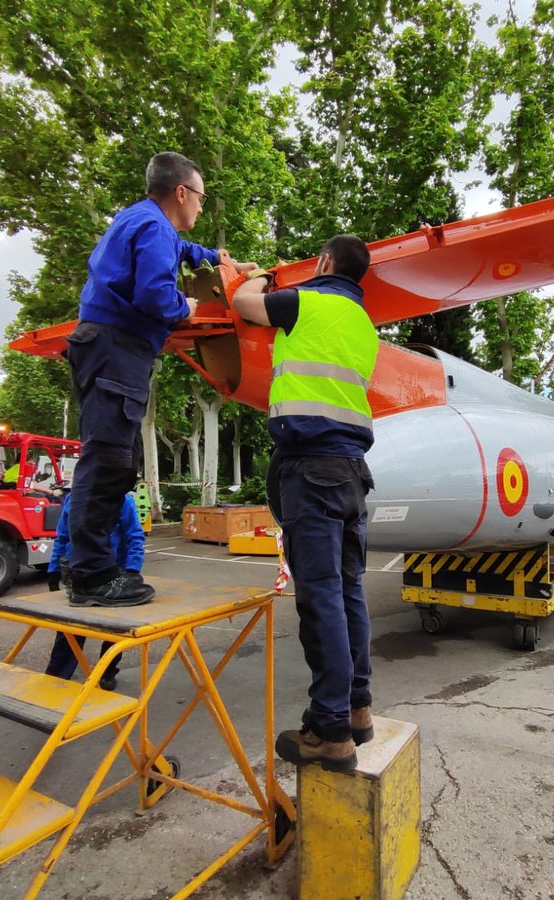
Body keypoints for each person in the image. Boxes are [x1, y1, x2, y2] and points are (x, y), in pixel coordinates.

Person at [63, 150, 255, 607]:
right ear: (182, 192)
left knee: (119, 462)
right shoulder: (152, 229)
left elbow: (179, 250)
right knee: (107, 461)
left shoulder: (140, 220)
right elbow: (155, 295)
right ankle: (90, 577)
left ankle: (92, 568)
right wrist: (183, 307)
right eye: (202, 198)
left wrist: (217, 257)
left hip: (105, 347)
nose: (202, 207)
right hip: (117, 349)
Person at [231, 234, 379, 773]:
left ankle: (330, 730)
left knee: (320, 600)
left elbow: (243, 303)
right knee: (348, 593)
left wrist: (259, 276)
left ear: (323, 263)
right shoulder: (365, 326)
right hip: (351, 473)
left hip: (310, 469)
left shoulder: (306, 300)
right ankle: (357, 709)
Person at [44, 491, 145, 690]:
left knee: (114, 629)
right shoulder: (74, 499)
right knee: (71, 627)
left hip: (114, 574)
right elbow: (63, 535)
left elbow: (135, 536)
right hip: (79, 573)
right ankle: (57, 675)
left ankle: (107, 672)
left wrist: (133, 570)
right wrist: (53, 568)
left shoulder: (121, 499)